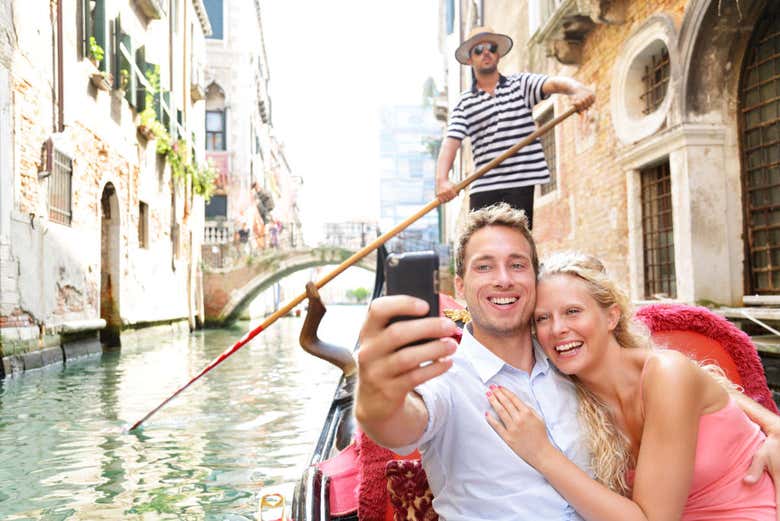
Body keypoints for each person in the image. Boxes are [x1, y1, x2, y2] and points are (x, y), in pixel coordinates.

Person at [355, 203, 780, 521]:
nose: (503, 278)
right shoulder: (444, 375)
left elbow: (676, 378)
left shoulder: (569, 361)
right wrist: (376, 398)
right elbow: (402, 422)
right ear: (462, 286)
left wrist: (772, 425)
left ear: (532, 280)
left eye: (516, 265)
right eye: (486, 267)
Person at [486, 251, 777, 520]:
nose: (558, 329)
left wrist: (542, 454)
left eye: (573, 311)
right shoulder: (569, 397)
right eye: (543, 318)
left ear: (611, 317)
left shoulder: (667, 373)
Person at [435, 27, 595, 228]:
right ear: (469, 59)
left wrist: (577, 89)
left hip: (520, 183)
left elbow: (554, 83)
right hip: (484, 185)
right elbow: (451, 142)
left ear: (498, 54)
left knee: (517, 244)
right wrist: (442, 180)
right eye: (478, 49)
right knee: (480, 246)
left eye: (491, 47)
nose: (486, 52)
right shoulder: (465, 102)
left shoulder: (521, 84)